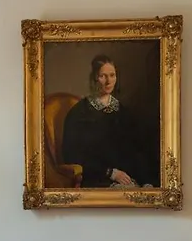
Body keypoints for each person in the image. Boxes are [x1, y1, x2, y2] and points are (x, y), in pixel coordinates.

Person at [61, 54, 157, 188]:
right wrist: (110, 172)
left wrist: (146, 181)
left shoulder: (123, 112)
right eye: (103, 76)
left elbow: (136, 151)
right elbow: (73, 155)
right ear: (94, 77)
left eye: (112, 75)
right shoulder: (79, 113)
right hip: (96, 179)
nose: (108, 81)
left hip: (126, 178)